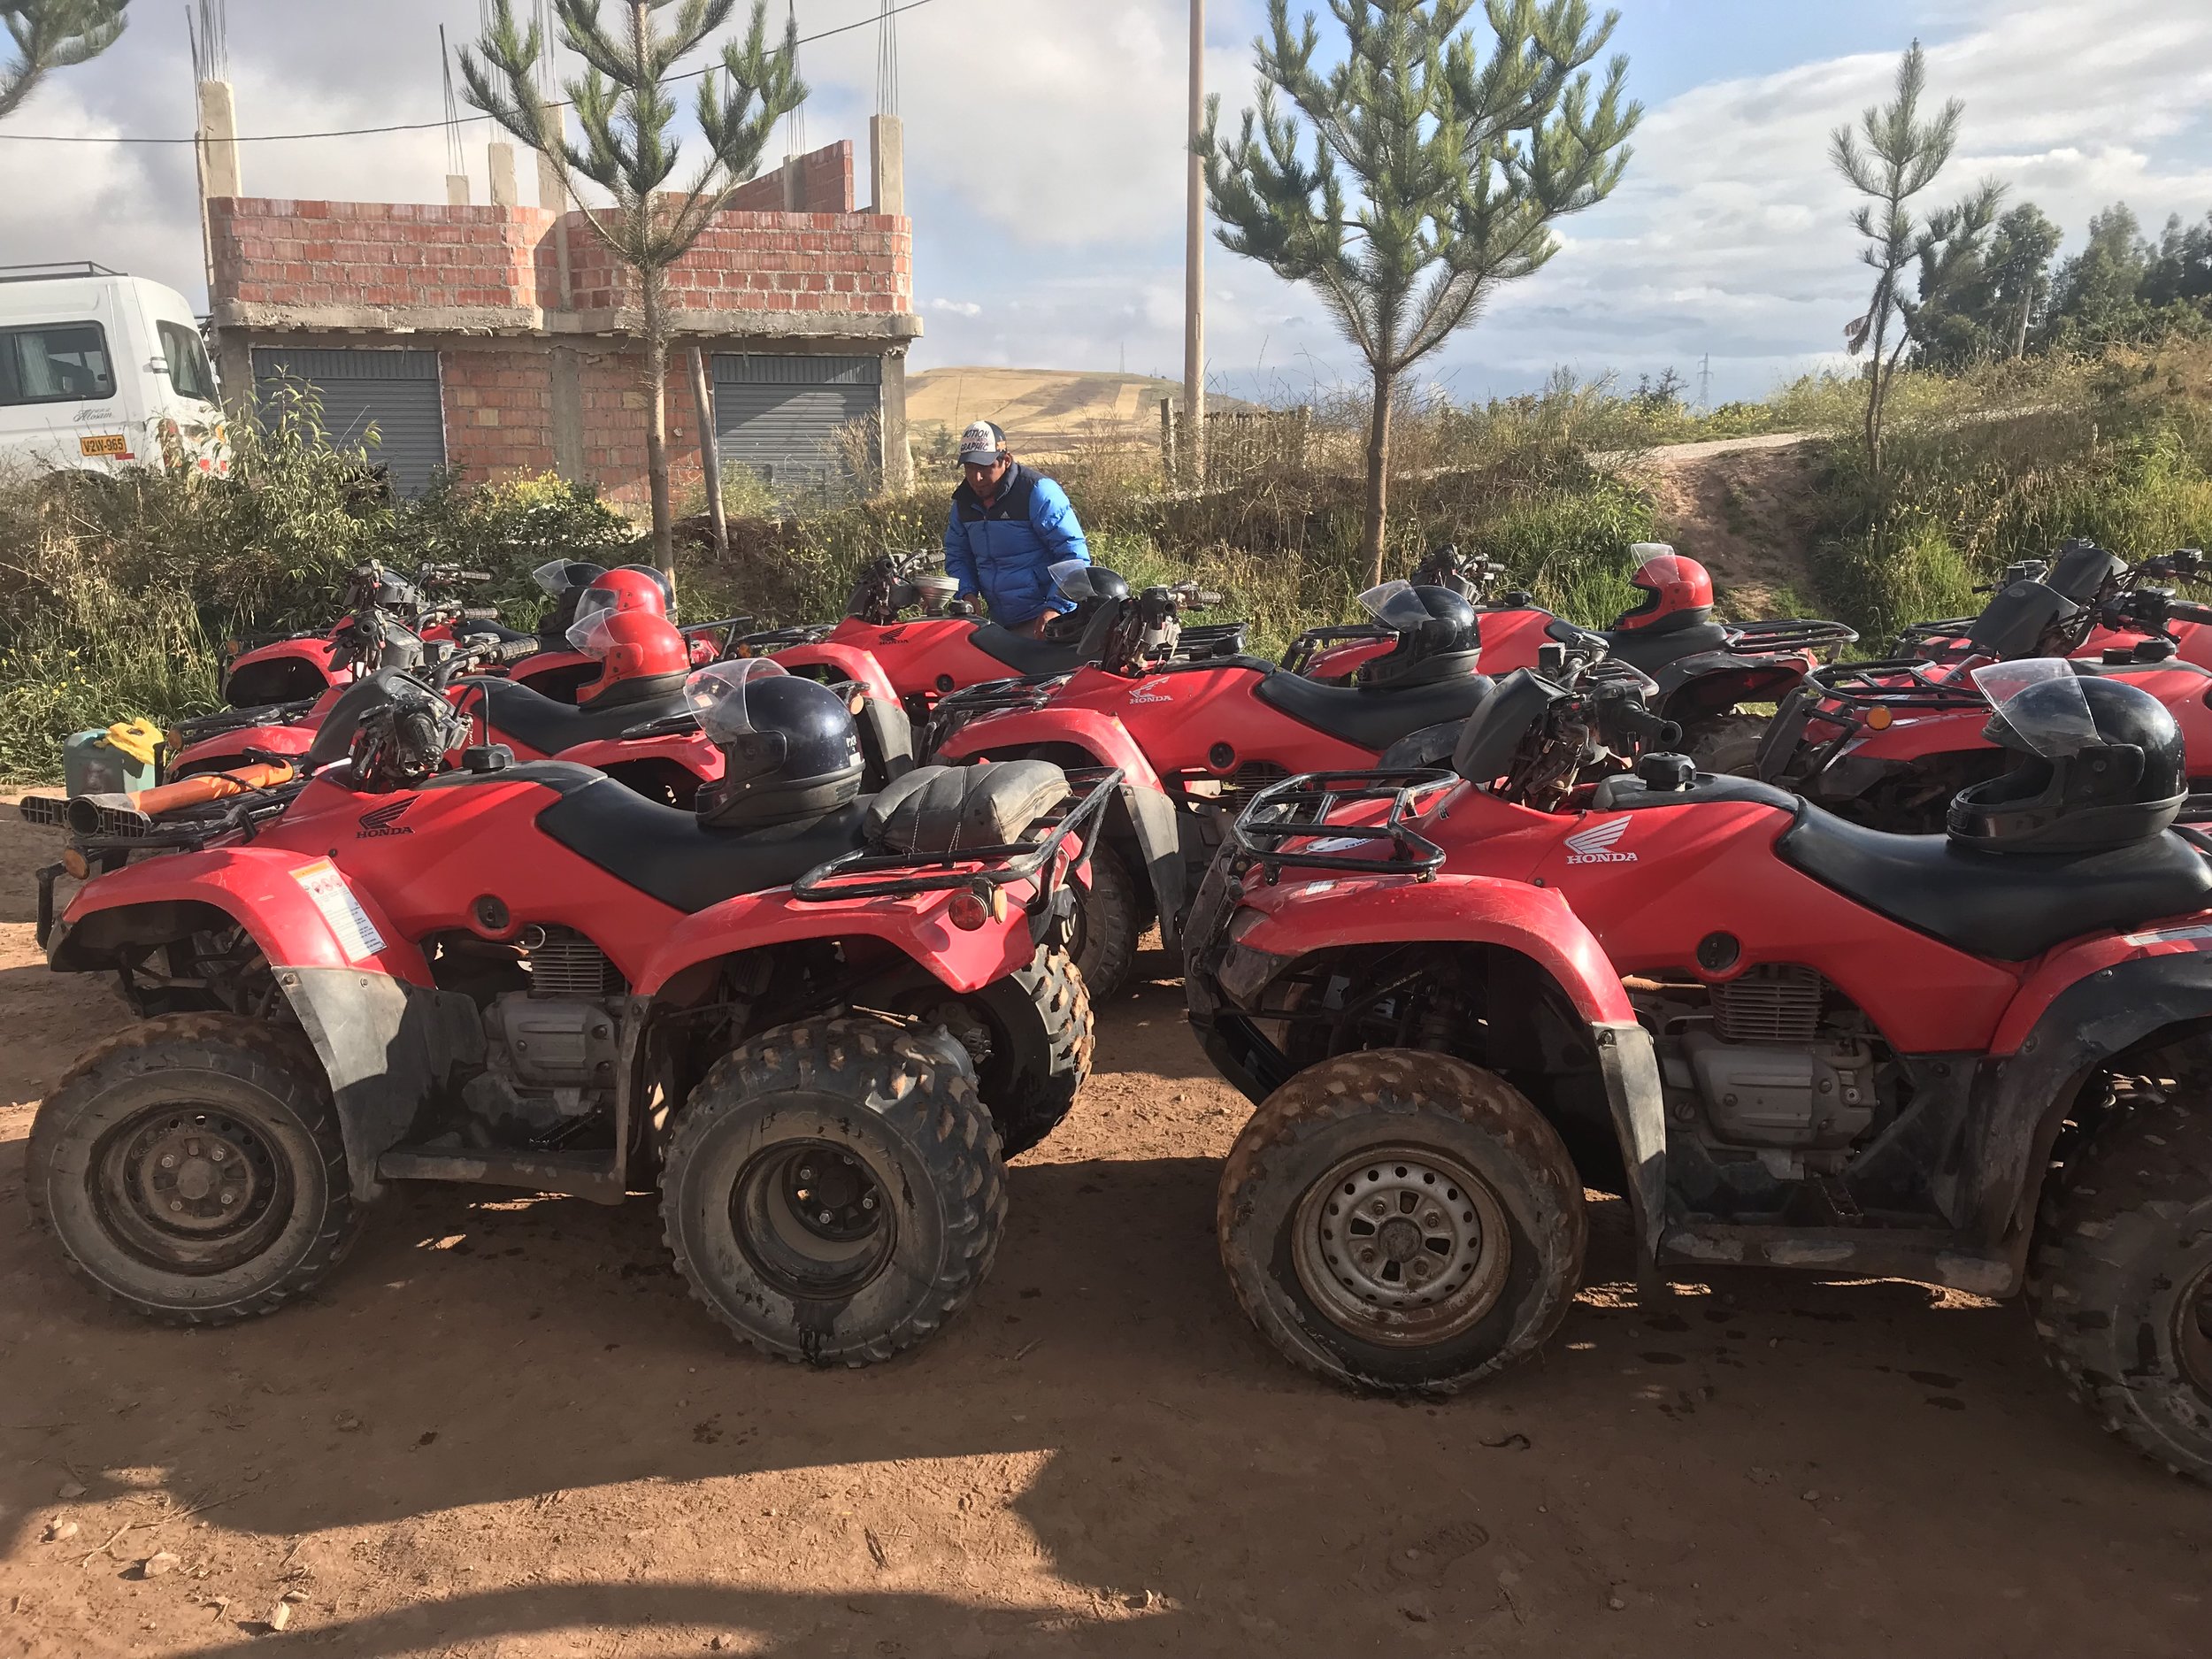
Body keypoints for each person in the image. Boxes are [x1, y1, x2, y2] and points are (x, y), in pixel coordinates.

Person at [943, 421, 1090, 636]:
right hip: (997, 623)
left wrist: (1056, 608)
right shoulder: (963, 503)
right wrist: (966, 593)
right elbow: (958, 555)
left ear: (1006, 460)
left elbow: (1074, 556)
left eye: (984, 467)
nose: (976, 478)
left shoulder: (1038, 493)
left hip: (1046, 621)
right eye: (969, 468)